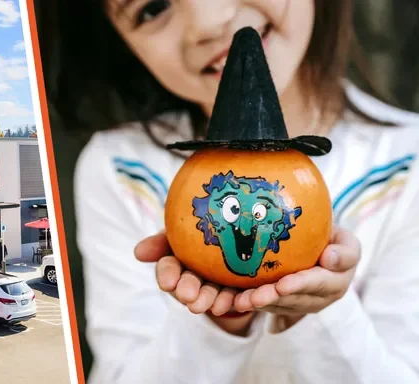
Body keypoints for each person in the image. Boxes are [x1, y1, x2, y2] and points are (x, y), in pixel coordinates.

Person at [50, 0, 419, 383]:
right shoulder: (119, 168)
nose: (210, 21)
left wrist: (318, 310)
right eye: (153, 7)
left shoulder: (411, 163)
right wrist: (215, 326)